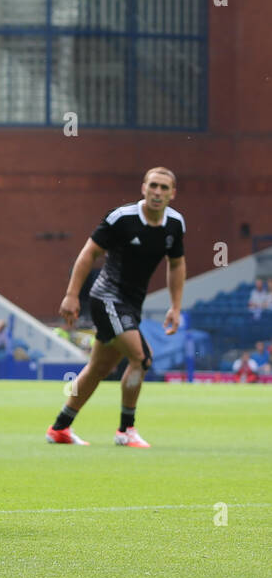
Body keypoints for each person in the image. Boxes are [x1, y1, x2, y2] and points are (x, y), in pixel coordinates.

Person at [48, 169, 186, 448]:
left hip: (132, 305)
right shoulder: (122, 219)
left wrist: (175, 306)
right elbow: (89, 252)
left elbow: (176, 264)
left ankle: (60, 428)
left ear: (172, 193)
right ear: (143, 187)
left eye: (164, 188)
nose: (157, 192)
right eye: (153, 186)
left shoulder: (175, 225)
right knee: (142, 358)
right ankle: (126, 429)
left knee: (99, 368)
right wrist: (72, 295)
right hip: (106, 297)